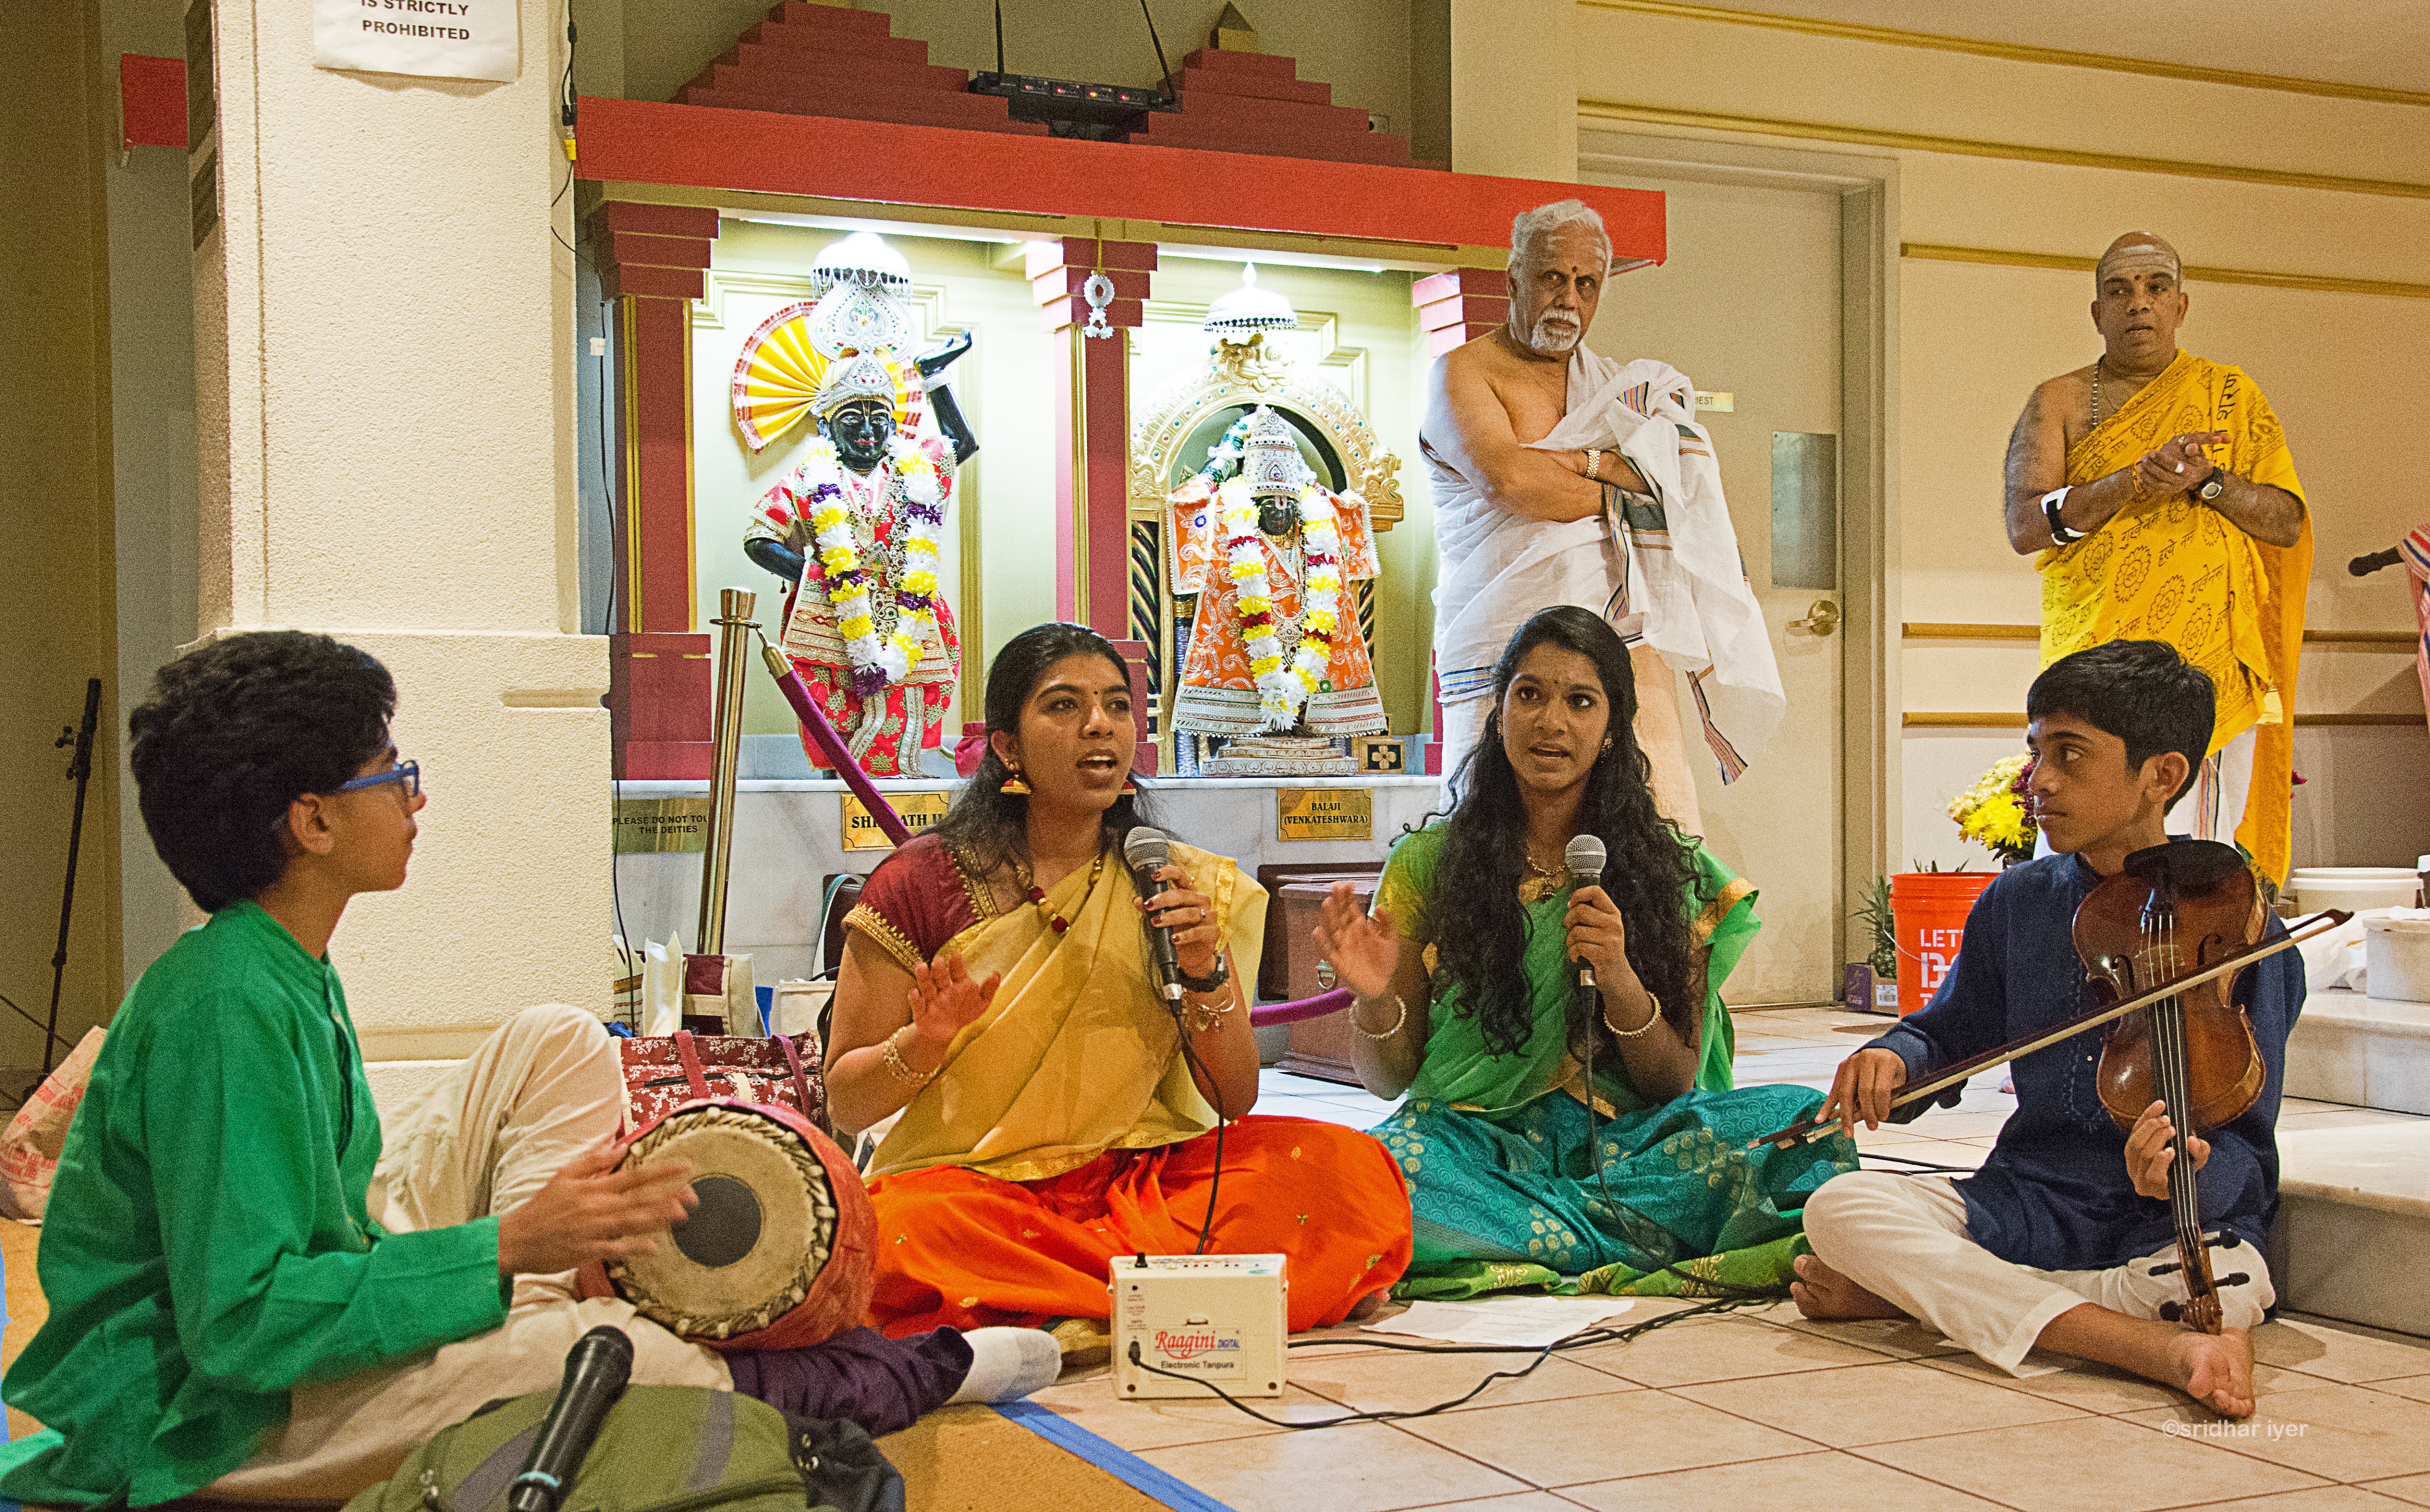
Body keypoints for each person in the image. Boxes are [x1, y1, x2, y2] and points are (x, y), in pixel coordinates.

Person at [0, 633, 1052, 1508]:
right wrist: (509, 1244)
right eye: (392, 774)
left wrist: (512, 1251)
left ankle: (535, 1313)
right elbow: (241, 1328)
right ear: (312, 821)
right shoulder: (227, 1004)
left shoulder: (275, 960)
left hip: (306, 1313)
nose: (415, 798)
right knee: (631, 1356)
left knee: (554, 1039)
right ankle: (588, 1327)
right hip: (200, 1423)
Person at [824, 622, 1413, 1353]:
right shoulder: (919, 884)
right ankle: (1152, 1300)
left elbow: (1233, 1098)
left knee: (1344, 1169)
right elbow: (846, 1100)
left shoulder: (1175, 881)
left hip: (1139, 1179)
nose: (1098, 725)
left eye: (1115, 705)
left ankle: (1055, 1308)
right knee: (897, 1231)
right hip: (978, 1189)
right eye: (1063, 706)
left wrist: (1203, 973)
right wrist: (924, 1041)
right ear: (1007, 746)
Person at [1793, 639, 2304, 1420]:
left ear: (2162, 775)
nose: (2039, 780)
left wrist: (2182, 1175)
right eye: (2036, 752)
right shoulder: (2018, 900)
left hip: (2162, 1226)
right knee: (1841, 1208)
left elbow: (2245, 1146)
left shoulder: (2241, 932)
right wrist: (1894, 1056)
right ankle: (2144, 1343)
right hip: (2026, 1199)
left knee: (2226, 1280)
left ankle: (1944, 1301)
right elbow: (1948, 1033)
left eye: (2069, 755)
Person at [1311, 608, 1849, 1300]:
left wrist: (1620, 977)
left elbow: (1674, 1084)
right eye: (1529, 695)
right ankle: (1621, 1234)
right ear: (1499, 712)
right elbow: (1388, 1082)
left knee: (1804, 1126)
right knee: (1371, 1170)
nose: (1551, 722)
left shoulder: (1672, 872)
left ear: (1613, 727)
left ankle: (1523, 1236)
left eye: (1581, 701)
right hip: (1474, 1146)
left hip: (1627, 1148)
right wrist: (1375, 997)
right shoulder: (1428, 865)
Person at [1423, 199, 1782, 824]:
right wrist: (1621, 487)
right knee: (1494, 835)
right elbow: (1509, 480)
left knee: (1656, 824)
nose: (1569, 300)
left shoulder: (1623, 391)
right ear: (1513, 281)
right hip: (1501, 640)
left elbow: (1676, 487)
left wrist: (1581, 469)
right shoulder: (1463, 373)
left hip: (1622, 634)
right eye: (1552, 278)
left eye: (1586, 284)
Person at [2002, 231, 2311, 888]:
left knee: (2196, 862)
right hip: (2094, 662)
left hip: (2204, 671)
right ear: (2097, 312)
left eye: (2155, 288)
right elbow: (2026, 526)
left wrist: (2208, 481)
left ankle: (2193, 955)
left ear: (2180, 306)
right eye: (2119, 290)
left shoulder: (2229, 395)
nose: (2138, 303)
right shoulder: (2058, 399)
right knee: (2076, 855)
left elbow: (2285, 523)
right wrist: (2131, 482)